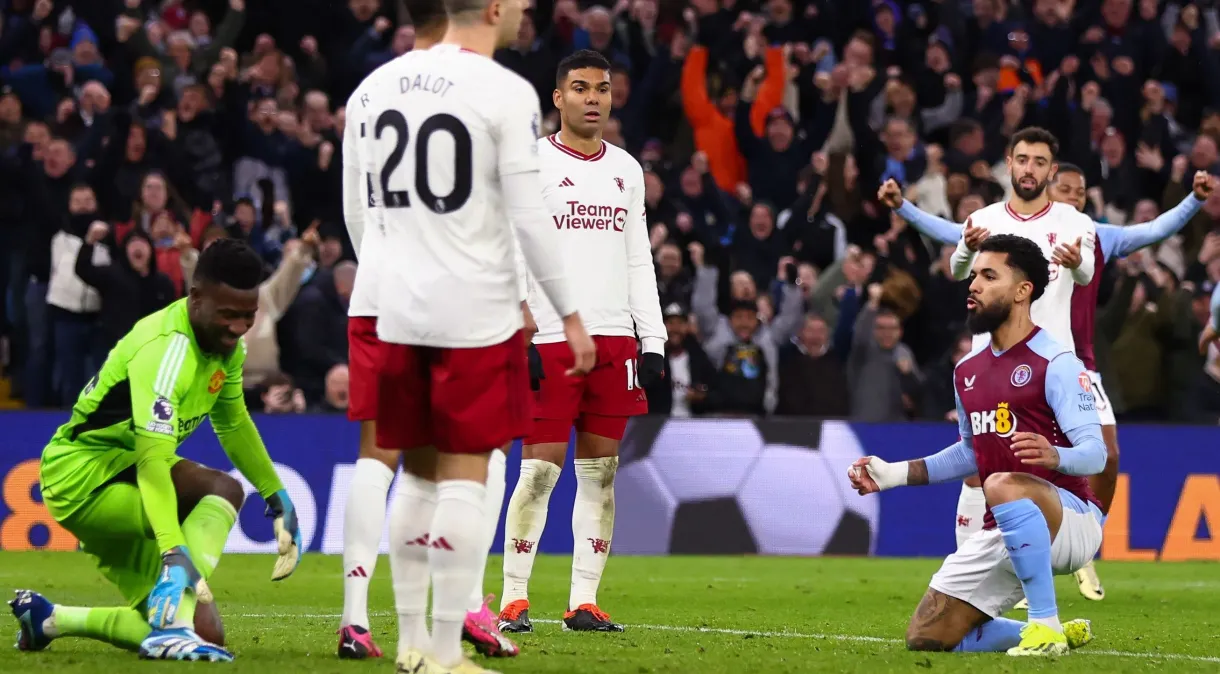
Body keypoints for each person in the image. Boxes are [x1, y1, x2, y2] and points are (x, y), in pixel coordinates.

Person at [364, 0, 597, 669]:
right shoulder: (503, 90)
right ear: (491, 7)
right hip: (471, 307)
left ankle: (410, 642)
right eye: (519, 1)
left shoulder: (377, 86)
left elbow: (363, 206)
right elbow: (529, 215)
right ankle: (442, 650)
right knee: (470, 473)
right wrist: (570, 315)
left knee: (416, 473)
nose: (526, 9)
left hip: (398, 306)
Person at [881, 163, 1216, 602]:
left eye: (1080, 192)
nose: (1073, 198)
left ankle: (1081, 531)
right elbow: (954, 234)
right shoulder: (1017, 240)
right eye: (1065, 189)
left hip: (1077, 366)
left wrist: (1194, 199)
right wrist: (904, 207)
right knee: (988, 459)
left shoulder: (1092, 233)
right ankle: (983, 563)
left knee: (1106, 453)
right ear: (1047, 190)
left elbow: (1151, 231)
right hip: (1020, 365)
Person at [9, 239, 302, 662]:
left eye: (248, 315)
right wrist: (173, 552)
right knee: (222, 490)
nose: (240, 327)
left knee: (204, 632)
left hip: (123, 472)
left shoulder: (226, 348)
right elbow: (151, 463)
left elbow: (233, 422)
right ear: (195, 298)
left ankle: (49, 620)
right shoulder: (166, 350)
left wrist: (278, 496)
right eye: (229, 314)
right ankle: (174, 586)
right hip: (83, 475)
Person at [336, 0, 520, 661]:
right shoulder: (484, 87)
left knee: (378, 457)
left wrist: (385, 262)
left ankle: (356, 618)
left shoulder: (369, 90)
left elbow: (356, 209)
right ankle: (459, 610)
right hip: (458, 297)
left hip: (380, 290)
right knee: (478, 455)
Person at [848, 234, 1106, 657]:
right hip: (1004, 524)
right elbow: (971, 452)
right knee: (928, 636)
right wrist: (893, 473)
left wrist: (1055, 454)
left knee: (1002, 483)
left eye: (989, 276)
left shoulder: (1057, 363)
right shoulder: (967, 370)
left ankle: (1045, 624)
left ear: (1023, 291)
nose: (974, 285)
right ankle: (1045, 633)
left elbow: (1096, 454)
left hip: (1071, 520)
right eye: (973, 276)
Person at [497, 49, 666, 635]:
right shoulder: (532, 164)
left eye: (602, 88)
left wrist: (655, 340)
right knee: (539, 472)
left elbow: (637, 257)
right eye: (580, 87)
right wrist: (518, 325)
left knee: (601, 473)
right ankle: (514, 599)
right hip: (548, 337)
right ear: (558, 98)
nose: (593, 98)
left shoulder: (626, 170)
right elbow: (513, 250)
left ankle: (583, 602)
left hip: (616, 339)